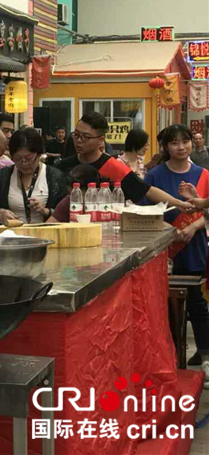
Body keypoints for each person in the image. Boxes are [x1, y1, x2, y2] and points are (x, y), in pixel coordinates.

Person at [144, 125, 209, 383]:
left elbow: (206, 211)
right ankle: (170, 357)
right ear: (165, 147)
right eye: (174, 143)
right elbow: (144, 211)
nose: (181, 147)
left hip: (194, 246)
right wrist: (169, 233)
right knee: (164, 304)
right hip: (164, 248)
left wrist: (193, 226)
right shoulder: (154, 176)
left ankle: (204, 356)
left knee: (197, 304)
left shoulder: (203, 174)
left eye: (186, 141)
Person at [55, 111, 192, 210]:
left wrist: (179, 204)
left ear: (101, 140)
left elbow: (147, 190)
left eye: (85, 137)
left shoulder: (114, 167)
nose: (79, 140)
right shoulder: (62, 166)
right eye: (76, 135)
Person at [0, 127, 68, 226]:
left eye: (29, 158)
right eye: (18, 158)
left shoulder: (55, 177)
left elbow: (65, 214)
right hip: (12, 236)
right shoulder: (3, 176)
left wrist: (46, 211)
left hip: (46, 235)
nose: (24, 163)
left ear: (39, 155)